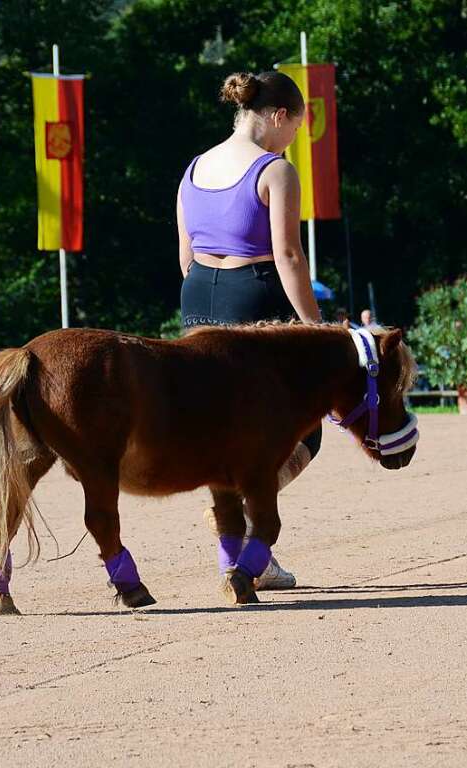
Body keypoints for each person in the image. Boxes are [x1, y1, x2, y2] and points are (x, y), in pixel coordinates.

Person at [177, 70, 322, 590]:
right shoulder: (275, 171)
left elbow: (185, 259)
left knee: (218, 431)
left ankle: (233, 537)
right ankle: (249, 540)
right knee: (305, 428)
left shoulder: (194, 168)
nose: (293, 140)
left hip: (196, 301)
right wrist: (315, 329)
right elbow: (287, 256)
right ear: (278, 116)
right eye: (295, 128)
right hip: (253, 294)